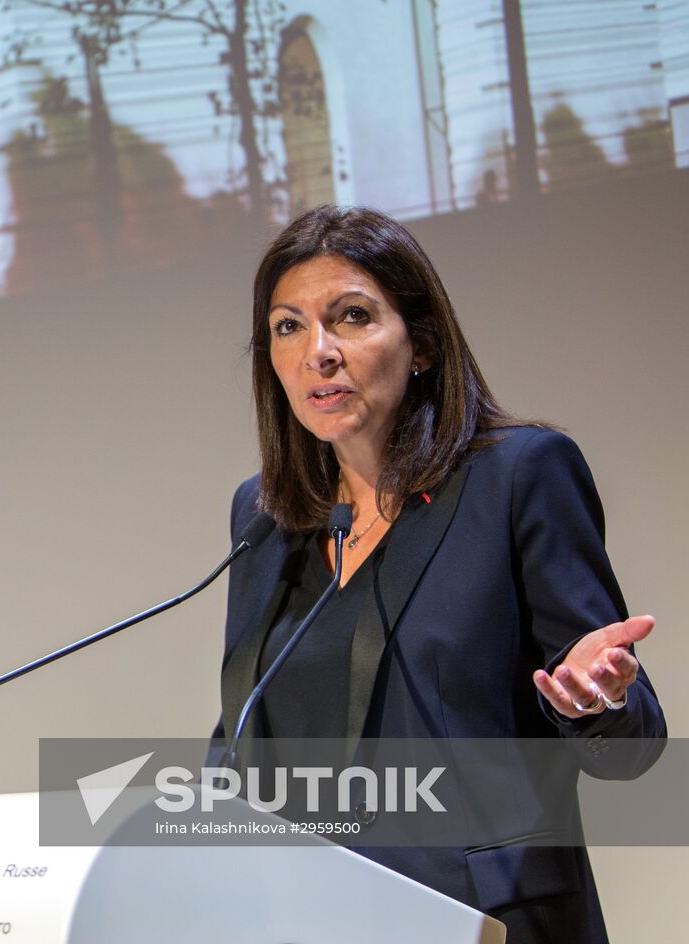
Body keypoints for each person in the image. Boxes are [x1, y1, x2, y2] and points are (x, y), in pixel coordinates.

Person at [208, 204, 666, 943]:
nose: (317, 352)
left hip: (486, 919)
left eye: (350, 317)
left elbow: (633, 738)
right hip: (317, 921)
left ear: (420, 342)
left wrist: (597, 702)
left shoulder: (517, 476)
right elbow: (246, 734)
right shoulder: (265, 514)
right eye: (288, 326)